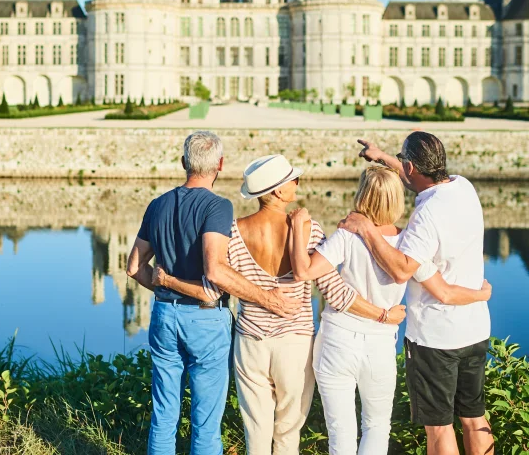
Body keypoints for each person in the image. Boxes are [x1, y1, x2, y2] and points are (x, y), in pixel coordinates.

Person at [152, 154, 408, 455]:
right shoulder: (309, 230)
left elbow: (213, 288)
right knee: (288, 433)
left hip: (251, 343)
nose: (298, 183)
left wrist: (167, 281)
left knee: (256, 433)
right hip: (295, 345)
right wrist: (383, 315)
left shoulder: (233, 232)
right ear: (277, 190)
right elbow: (335, 292)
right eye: (293, 180)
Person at [289, 166, 491, 455]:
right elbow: (444, 290)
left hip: (337, 339)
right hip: (380, 344)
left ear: (363, 196)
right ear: (397, 200)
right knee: (377, 426)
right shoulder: (410, 245)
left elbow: (304, 271)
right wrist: (481, 294)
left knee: (340, 431)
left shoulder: (348, 235)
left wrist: (298, 229)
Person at [126, 133, 304, 455]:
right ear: (220, 165)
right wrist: (270, 299)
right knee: (205, 421)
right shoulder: (217, 206)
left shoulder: (158, 205)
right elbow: (216, 271)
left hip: (164, 315)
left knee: (164, 414)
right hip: (205, 320)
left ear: (184, 163)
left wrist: (165, 285)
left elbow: (134, 267)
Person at [339, 132, 493, 455]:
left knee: (439, 428)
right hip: (476, 330)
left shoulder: (425, 216)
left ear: (410, 168)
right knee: (474, 418)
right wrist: (383, 157)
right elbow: (414, 175)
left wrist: (366, 229)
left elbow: (401, 269)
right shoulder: (464, 187)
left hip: (436, 340)